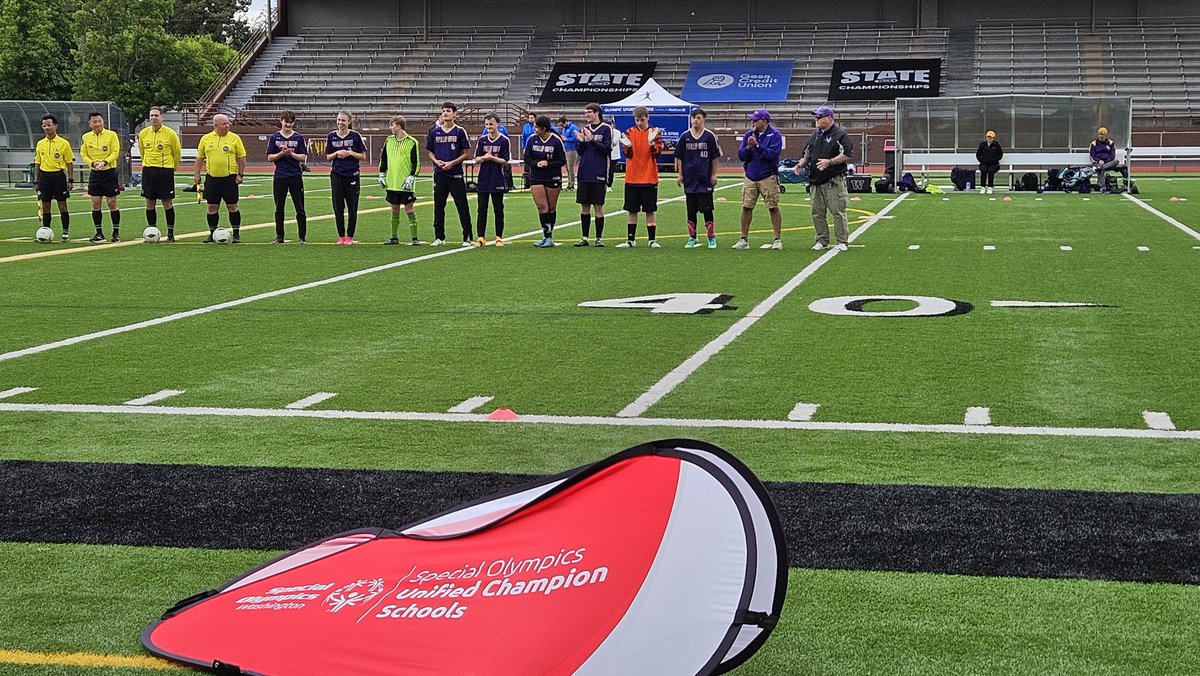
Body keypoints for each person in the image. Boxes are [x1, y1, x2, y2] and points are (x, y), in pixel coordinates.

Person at [797, 105, 852, 252]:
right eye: (816, 117)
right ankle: (822, 240)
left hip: (833, 179)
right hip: (816, 179)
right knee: (817, 212)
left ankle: (842, 241)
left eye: (820, 117)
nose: (817, 119)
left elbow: (846, 154)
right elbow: (807, 153)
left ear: (829, 118)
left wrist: (830, 162)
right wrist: (801, 164)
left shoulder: (840, 134)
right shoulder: (815, 135)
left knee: (838, 211)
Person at [734, 108, 783, 250]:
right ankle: (743, 239)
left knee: (773, 207)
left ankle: (777, 239)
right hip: (751, 175)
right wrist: (749, 148)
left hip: (768, 175)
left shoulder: (775, 135)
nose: (753, 122)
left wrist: (757, 146)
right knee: (746, 207)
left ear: (765, 121)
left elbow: (773, 155)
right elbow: (741, 156)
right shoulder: (749, 135)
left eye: (756, 120)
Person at [193, 113, 246, 243]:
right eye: (224, 124)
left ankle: (236, 234)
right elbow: (199, 158)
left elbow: (242, 157)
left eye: (228, 123)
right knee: (212, 207)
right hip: (212, 179)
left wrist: (240, 174)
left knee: (232, 206)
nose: (227, 125)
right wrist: (197, 174)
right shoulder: (206, 139)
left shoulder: (235, 138)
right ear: (216, 125)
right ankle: (212, 233)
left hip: (229, 178)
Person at [426, 102, 473, 247]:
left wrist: (452, 163)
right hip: (440, 173)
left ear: (455, 114)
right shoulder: (435, 132)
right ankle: (439, 237)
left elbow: (466, 153)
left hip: (455, 173)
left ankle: (467, 237)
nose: (445, 113)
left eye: (448, 111)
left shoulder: (460, 131)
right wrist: (436, 161)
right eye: (443, 111)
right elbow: (430, 152)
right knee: (439, 206)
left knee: (462, 205)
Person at [674, 108, 721, 249]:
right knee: (691, 210)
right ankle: (692, 237)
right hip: (690, 179)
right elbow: (679, 157)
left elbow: (715, 158)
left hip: (704, 179)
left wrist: (714, 174)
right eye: (693, 117)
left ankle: (711, 238)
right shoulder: (685, 136)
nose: (695, 120)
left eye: (698, 117)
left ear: (703, 119)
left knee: (707, 209)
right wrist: (680, 174)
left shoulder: (709, 136)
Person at [617, 106, 663, 248]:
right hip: (632, 177)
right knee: (632, 210)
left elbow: (657, 154)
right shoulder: (629, 132)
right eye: (637, 120)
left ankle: (652, 239)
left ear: (647, 118)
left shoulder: (655, 132)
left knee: (650, 210)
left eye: (642, 120)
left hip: (649, 177)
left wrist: (651, 144)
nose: (639, 123)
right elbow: (628, 155)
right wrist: (629, 147)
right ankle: (630, 240)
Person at [572, 102, 614, 247]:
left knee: (598, 205)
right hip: (584, 171)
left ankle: (598, 238)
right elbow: (580, 151)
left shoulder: (606, 129)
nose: (586, 115)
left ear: (597, 113)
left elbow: (607, 149)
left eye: (589, 112)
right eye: (585, 113)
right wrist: (582, 141)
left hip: (598, 171)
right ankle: (584, 237)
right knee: (584, 205)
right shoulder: (584, 129)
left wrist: (591, 140)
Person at [138, 106, 181, 242]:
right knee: (149, 202)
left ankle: (170, 233)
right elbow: (142, 152)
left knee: (167, 202)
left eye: (156, 115)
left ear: (162, 117)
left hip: (165, 170)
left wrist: (171, 168)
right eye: (151, 116)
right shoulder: (143, 133)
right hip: (149, 170)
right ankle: (152, 231)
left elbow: (176, 153)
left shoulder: (170, 133)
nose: (153, 118)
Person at [523, 115, 566, 248]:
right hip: (536, 176)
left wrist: (548, 164)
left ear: (544, 128)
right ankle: (546, 236)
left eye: (536, 127)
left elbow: (562, 161)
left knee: (551, 208)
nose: (534, 129)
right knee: (542, 207)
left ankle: (549, 236)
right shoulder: (532, 140)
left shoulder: (556, 141)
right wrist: (536, 163)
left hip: (552, 176)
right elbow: (527, 158)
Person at [379, 114, 422, 245]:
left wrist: (411, 176)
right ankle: (394, 236)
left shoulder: (412, 142)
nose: (390, 128)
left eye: (391, 125)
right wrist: (381, 173)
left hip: (405, 183)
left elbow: (416, 162)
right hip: (392, 182)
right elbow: (384, 159)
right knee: (394, 209)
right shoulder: (389, 140)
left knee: (409, 208)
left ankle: (414, 238)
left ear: (398, 126)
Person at [266, 110, 307, 244]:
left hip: (295, 175)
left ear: (293, 123)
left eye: (290, 123)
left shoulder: (298, 138)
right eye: (286, 122)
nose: (288, 125)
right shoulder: (275, 137)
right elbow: (270, 157)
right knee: (279, 207)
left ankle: (302, 236)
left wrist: (291, 153)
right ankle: (279, 236)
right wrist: (281, 154)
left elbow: (302, 157)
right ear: (281, 121)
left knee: (299, 207)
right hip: (280, 176)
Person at [326, 111, 367, 244]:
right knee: (338, 207)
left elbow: (363, 156)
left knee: (352, 206)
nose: (340, 123)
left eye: (343, 120)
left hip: (352, 175)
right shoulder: (331, 136)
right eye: (338, 120)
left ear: (349, 121)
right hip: (337, 174)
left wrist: (350, 153)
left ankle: (350, 236)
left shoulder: (355, 136)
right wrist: (337, 152)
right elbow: (328, 156)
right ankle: (341, 235)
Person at [80, 111, 122, 242]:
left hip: (109, 172)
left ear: (103, 122)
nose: (97, 124)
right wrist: (92, 163)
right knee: (96, 202)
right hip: (95, 174)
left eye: (99, 121)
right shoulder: (86, 137)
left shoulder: (111, 135)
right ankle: (99, 233)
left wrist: (104, 162)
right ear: (90, 123)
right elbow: (84, 154)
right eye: (94, 122)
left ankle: (116, 232)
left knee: (112, 202)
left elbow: (115, 152)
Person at [34, 114, 73, 242]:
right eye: (44, 125)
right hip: (45, 177)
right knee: (45, 206)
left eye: (49, 125)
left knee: (62, 205)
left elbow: (69, 162)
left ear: (55, 126)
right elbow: (37, 163)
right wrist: (36, 180)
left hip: (58, 176)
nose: (46, 128)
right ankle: (46, 231)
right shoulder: (40, 143)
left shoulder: (64, 143)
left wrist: (70, 180)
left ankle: (65, 233)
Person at [474, 112, 510, 247]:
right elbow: (476, 158)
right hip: (483, 178)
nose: (489, 126)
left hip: (497, 178)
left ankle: (499, 237)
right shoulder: (482, 140)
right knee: (481, 209)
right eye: (487, 124)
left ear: (497, 124)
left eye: (491, 124)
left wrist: (492, 158)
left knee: (498, 209)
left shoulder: (504, 140)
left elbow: (505, 160)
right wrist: (483, 158)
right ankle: (481, 237)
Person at [1090, 126, 1119, 192]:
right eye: (1100, 134)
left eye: (1103, 134)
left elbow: (1112, 156)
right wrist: (1099, 161)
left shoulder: (1111, 143)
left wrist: (1105, 161)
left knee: (1116, 161)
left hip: (1108, 162)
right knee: (1101, 170)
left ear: (1106, 135)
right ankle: (1103, 188)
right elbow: (1092, 155)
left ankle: (1100, 167)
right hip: (1098, 162)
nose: (1101, 136)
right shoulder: (1094, 144)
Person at [976, 130, 1003, 194]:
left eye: (990, 137)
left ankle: (990, 187)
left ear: (993, 138)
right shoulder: (982, 145)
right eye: (988, 137)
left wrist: (994, 160)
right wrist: (982, 160)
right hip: (984, 163)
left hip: (994, 164)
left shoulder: (996, 145)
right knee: (983, 170)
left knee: (991, 170)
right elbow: (978, 155)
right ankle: (983, 187)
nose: (989, 138)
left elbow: (1000, 155)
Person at [558, 114, 580, 191]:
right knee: (567, 168)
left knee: (571, 168)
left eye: (562, 125)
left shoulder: (573, 128)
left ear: (566, 122)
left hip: (572, 150)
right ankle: (569, 183)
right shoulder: (564, 129)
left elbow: (575, 138)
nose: (562, 127)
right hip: (566, 149)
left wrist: (566, 139)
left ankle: (572, 184)